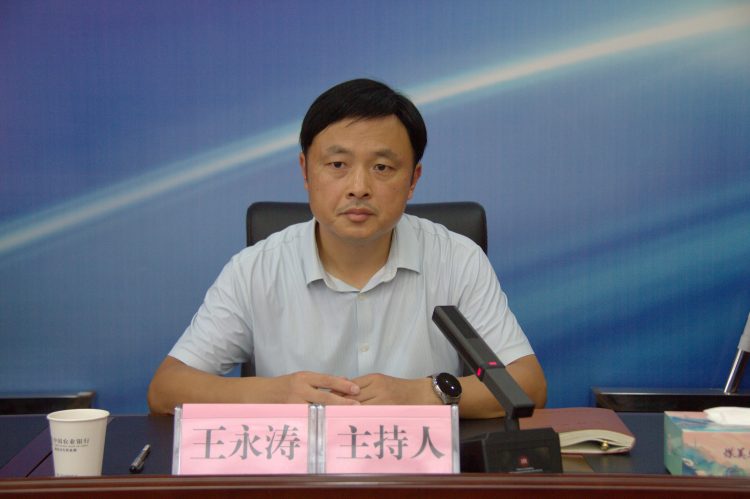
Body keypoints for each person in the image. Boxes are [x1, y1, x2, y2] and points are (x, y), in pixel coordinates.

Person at [147, 78, 546, 418]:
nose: (359, 187)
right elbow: (166, 389)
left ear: (413, 180)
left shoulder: (457, 259)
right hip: (296, 474)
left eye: (382, 167)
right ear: (305, 171)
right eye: (338, 165)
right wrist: (273, 392)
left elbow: (527, 384)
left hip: (420, 473)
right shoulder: (255, 269)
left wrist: (420, 394)